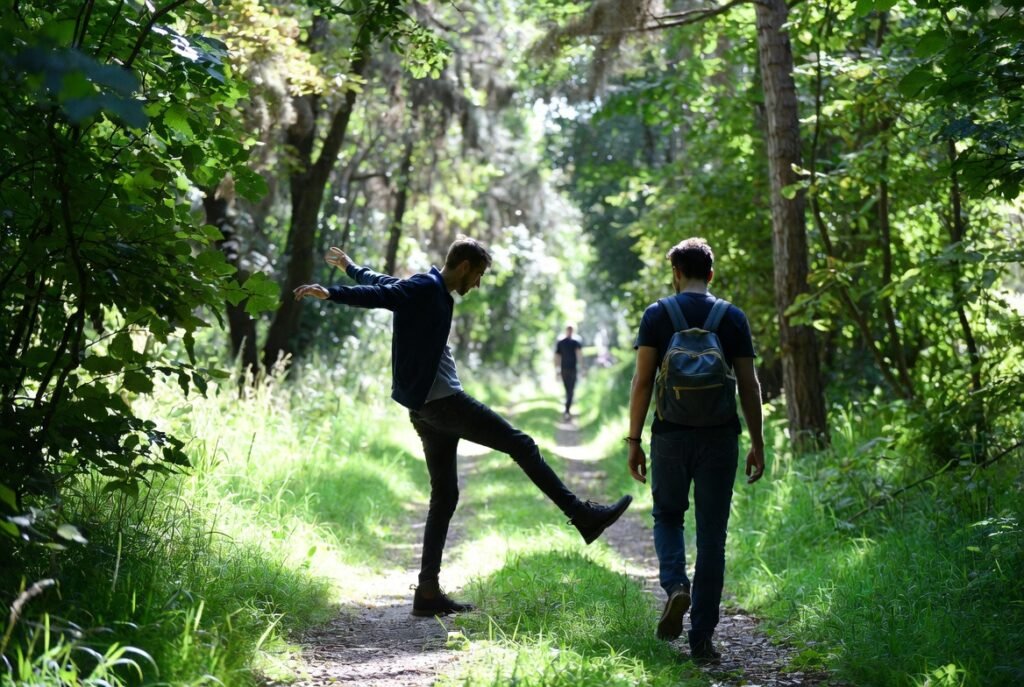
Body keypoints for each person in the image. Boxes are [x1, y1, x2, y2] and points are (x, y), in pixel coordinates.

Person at [294, 237, 632, 617]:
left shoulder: (426, 289)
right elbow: (380, 295)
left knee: (446, 495)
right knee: (522, 444)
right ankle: (582, 515)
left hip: (424, 408)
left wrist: (350, 268)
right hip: (443, 403)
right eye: (480, 275)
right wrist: (334, 294)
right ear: (466, 266)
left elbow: (385, 283)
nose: (478, 284)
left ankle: (427, 592)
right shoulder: (425, 286)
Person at [625, 237, 765, 664]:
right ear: (711, 273)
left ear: (675, 273)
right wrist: (757, 443)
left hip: (669, 435)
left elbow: (643, 382)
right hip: (721, 438)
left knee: (668, 515)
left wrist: (634, 441)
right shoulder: (732, 317)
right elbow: (748, 384)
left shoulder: (657, 315)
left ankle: (675, 586)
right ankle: (702, 639)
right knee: (712, 538)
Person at [555, 325, 583, 420]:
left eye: (571, 331)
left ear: (573, 332)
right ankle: (567, 409)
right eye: (568, 330)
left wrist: (582, 368)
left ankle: (567, 410)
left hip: (573, 370)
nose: (569, 332)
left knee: (571, 391)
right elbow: (557, 357)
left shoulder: (576, 343)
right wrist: (557, 370)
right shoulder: (560, 343)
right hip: (564, 370)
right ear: (566, 331)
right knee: (568, 390)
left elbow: (579, 355)